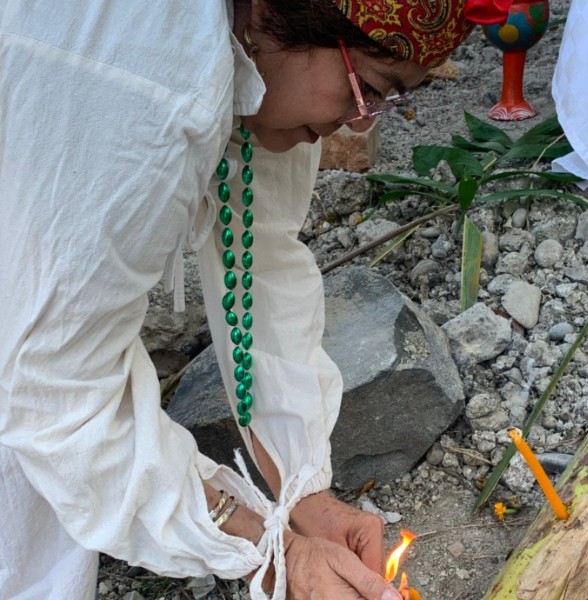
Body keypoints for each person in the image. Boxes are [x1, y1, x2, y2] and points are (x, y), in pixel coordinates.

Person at [0, 0, 508, 598]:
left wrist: (305, 493)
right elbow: (54, 387)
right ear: (288, 15)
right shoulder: (156, 89)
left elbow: (257, 253)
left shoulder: (261, 56)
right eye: (370, 89)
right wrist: (269, 551)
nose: (358, 124)